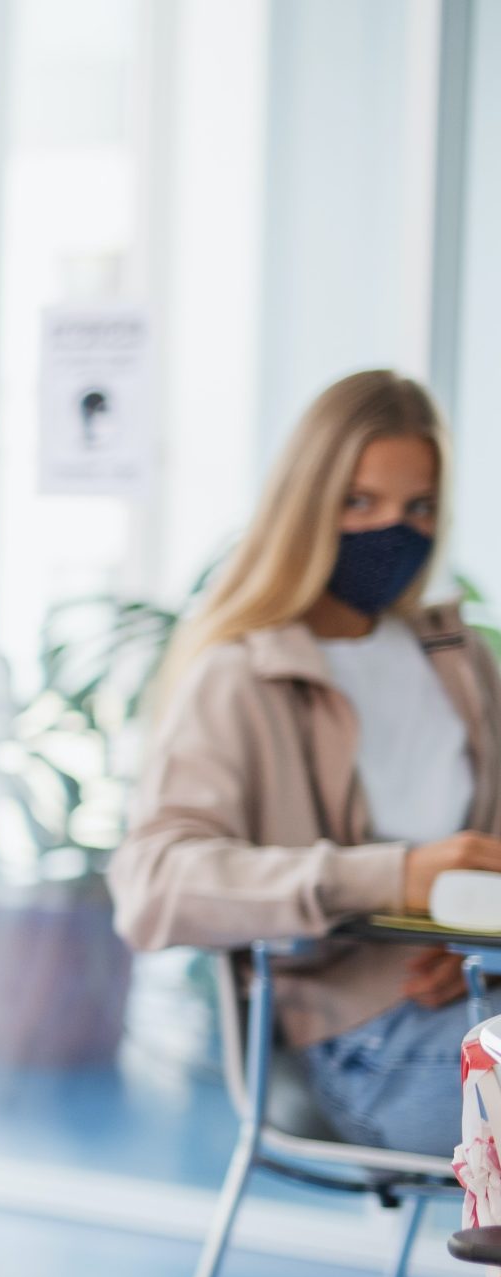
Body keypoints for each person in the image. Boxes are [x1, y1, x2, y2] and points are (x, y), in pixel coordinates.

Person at [112, 369, 501, 1155]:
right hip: (358, 1047)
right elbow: (154, 885)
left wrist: (476, 953)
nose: (394, 530)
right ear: (307, 506)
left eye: (418, 507)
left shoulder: (458, 662)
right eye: (362, 502)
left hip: (482, 1005)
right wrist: (393, 878)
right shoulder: (239, 674)